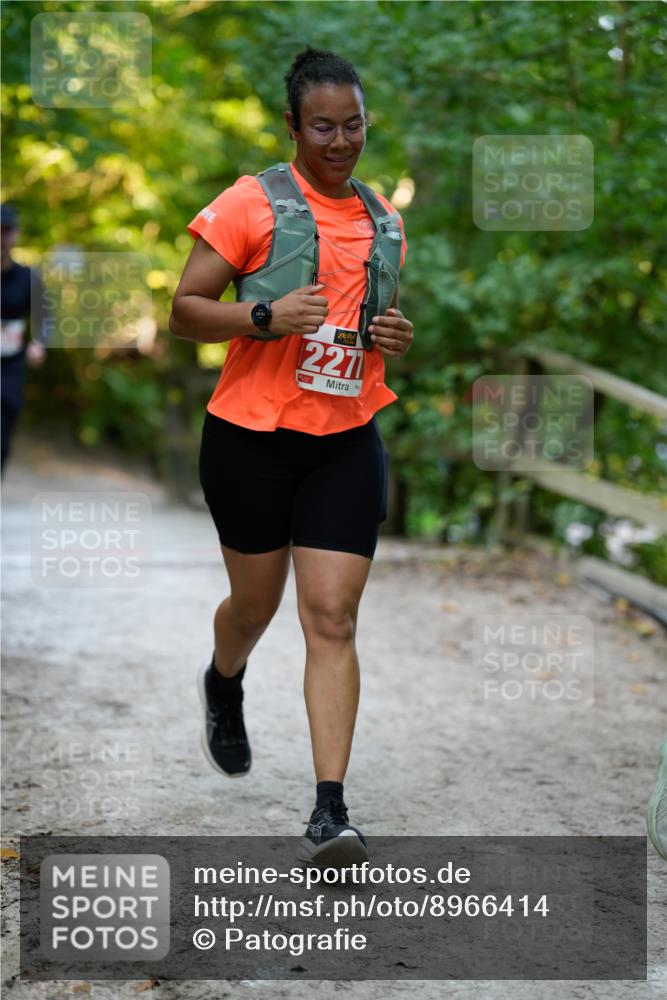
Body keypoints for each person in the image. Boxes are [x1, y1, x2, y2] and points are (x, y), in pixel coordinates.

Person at [169, 47, 413, 867]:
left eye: (353, 126)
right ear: (292, 126)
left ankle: (330, 811)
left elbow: (366, 324)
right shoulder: (251, 203)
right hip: (250, 439)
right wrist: (264, 316)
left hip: (344, 439)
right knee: (255, 607)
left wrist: (392, 335)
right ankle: (224, 679)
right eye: (323, 127)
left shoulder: (385, 219)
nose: (341, 141)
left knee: (331, 618)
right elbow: (186, 312)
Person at [1, 203, 49, 474]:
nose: (1, 238)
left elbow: (44, 317)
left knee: (3, 434)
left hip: (9, 369)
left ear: (15, 235)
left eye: (6, 232)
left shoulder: (27, 278)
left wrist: (39, 343)